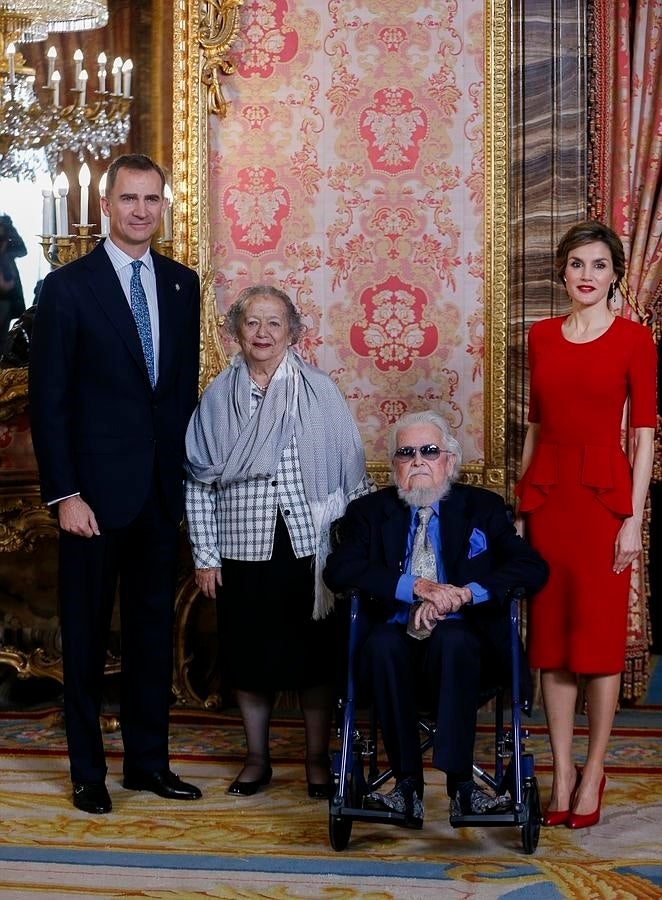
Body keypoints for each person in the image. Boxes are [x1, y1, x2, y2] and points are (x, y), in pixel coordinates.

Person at [28, 154, 202, 815]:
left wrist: (184, 483)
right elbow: (49, 401)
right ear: (106, 205)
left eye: (152, 199)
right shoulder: (67, 288)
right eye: (129, 198)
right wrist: (65, 494)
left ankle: (147, 765)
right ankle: (88, 772)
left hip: (158, 492)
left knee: (153, 635)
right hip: (92, 499)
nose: (141, 210)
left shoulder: (182, 284)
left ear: (163, 206)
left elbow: (177, 395)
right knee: (86, 635)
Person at [185, 284, 369, 798]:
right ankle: (257, 759)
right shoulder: (217, 398)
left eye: (274, 323)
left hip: (312, 547)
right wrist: (205, 555)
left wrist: (356, 551)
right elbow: (198, 480)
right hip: (243, 545)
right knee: (249, 657)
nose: (262, 333)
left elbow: (351, 472)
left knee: (315, 660)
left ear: (292, 332)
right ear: (235, 332)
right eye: (252, 322)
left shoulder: (321, 391)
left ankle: (316, 760)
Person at [323, 410, 548, 827]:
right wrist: (417, 587)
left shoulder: (482, 508)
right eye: (406, 453)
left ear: (450, 460)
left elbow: (531, 568)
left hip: (467, 652)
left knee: (453, 639)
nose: (418, 462)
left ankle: (462, 786)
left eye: (429, 451)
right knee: (383, 644)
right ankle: (407, 786)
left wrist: (465, 593)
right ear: (394, 465)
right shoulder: (369, 512)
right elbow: (339, 570)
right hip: (393, 651)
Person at [516, 220, 657, 829]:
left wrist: (632, 519)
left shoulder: (635, 339)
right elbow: (535, 426)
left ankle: (595, 768)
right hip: (549, 500)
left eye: (599, 265)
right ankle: (563, 772)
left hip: (604, 505)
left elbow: (644, 437)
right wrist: (522, 508)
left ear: (616, 274)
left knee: (596, 644)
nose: (587, 275)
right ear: (563, 271)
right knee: (551, 644)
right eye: (577, 264)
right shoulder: (541, 336)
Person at [0, 214, 27, 355]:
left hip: (7, 299)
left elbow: (22, 250)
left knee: (3, 339)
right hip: (4, 297)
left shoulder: (7, 248)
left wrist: (9, 227)